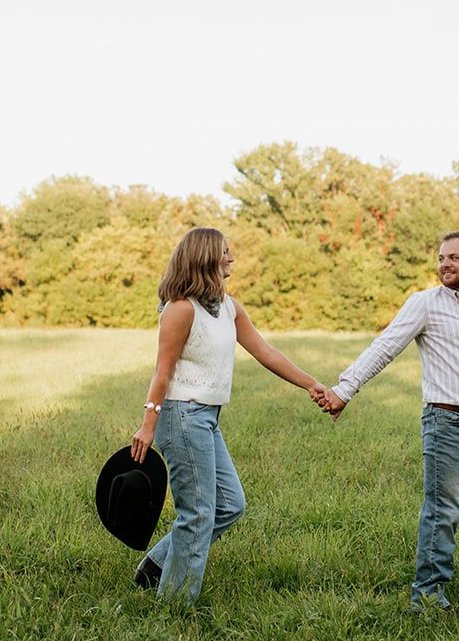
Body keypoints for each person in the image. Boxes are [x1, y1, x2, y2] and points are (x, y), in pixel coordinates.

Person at [313, 230, 459, 612]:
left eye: (453, 258)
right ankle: (428, 595)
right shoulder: (424, 304)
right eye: (440, 258)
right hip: (446, 423)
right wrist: (344, 390)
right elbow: (383, 348)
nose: (444, 264)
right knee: (443, 511)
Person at [130, 226, 326, 606]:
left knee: (229, 505)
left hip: (206, 418)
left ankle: (156, 565)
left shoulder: (227, 306)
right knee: (199, 513)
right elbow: (162, 372)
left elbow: (264, 351)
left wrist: (310, 384)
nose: (232, 258)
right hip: (182, 416)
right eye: (226, 251)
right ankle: (174, 606)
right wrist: (148, 424)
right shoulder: (180, 309)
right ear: (206, 257)